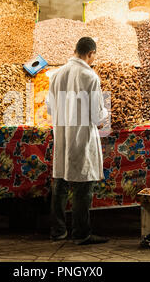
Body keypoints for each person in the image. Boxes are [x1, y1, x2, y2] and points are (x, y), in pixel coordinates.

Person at [46, 37, 109, 245]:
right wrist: (106, 113)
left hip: (62, 134)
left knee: (60, 182)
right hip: (81, 136)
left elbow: (50, 109)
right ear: (90, 54)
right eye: (94, 56)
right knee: (83, 185)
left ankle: (58, 230)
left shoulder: (57, 74)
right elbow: (96, 116)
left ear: (75, 50)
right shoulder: (90, 76)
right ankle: (81, 233)